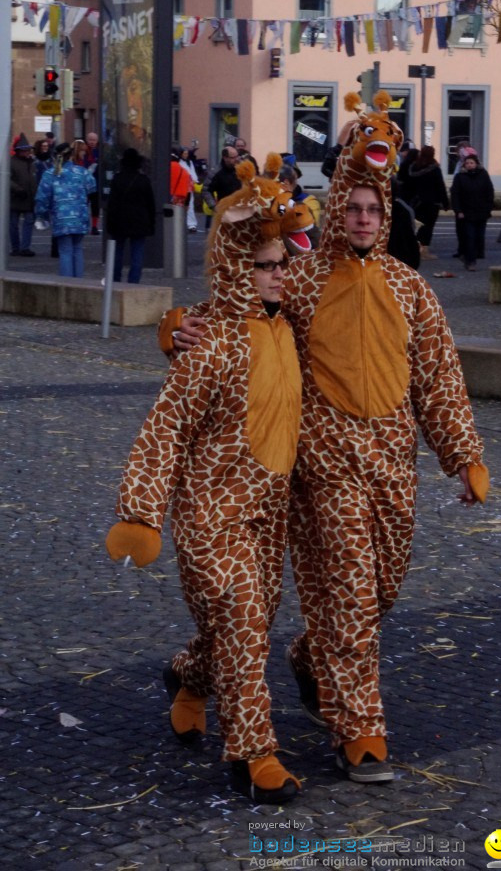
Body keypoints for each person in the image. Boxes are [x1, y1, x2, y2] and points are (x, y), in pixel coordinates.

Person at [163, 90, 489, 785]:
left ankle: (215, 664)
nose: (363, 218)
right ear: (337, 204)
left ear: (386, 214)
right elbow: (232, 307)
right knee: (346, 589)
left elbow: (438, 376)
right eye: (352, 206)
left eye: (374, 208)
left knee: (379, 592)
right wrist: (174, 330)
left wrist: (462, 454)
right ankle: (358, 729)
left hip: (390, 466)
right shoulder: (300, 277)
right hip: (321, 462)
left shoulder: (409, 289)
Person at [106, 177, 304, 804]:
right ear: (238, 269)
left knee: (242, 628)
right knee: (244, 620)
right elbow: (162, 430)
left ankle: (189, 676)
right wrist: (141, 513)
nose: (278, 275)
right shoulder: (209, 345)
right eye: (264, 267)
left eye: (282, 264)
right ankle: (253, 753)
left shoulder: (291, 327)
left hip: (267, 518)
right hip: (211, 518)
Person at [35, 142, 96, 277]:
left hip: (61, 217)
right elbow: (93, 186)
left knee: (65, 251)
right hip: (80, 217)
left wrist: (41, 215)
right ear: (70, 156)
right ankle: (79, 284)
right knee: (77, 249)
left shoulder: (50, 174)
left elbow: (42, 198)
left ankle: (67, 284)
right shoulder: (81, 172)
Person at [106, 148, 156, 283]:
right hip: (139, 220)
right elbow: (150, 204)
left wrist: (109, 222)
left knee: (117, 252)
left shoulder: (117, 179)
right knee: (137, 253)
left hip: (120, 220)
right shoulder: (143, 180)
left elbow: (112, 203)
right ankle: (134, 281)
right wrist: (151, 222)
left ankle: (115, 279)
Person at [450, 150, 494, 270]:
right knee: (469, 237)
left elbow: (489, 192)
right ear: (464, 165)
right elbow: (455, 194)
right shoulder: (460, 177)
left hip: (481, 212)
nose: (469, 165)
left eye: (471, 163)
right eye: (467, 163)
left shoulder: (483, 175)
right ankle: (471, 261)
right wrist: (458, 210)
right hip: (466, 212)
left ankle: (472, 255)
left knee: (480, 237)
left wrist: (489, 208)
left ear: (476, 164)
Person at [404, 144, 449, 260]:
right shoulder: (434, 169)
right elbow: (440, 186)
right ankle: (424, 251)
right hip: (431, 203)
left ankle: (414, 249)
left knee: (417, 226)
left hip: (416, 202)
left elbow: (408, 186)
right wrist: (445, 202)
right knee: (428, 227)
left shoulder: (413, 168)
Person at [9, 133, 37, 256]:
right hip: (16, 197)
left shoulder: (31, 163)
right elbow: (6, 179)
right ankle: (16, 248)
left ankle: (25, 247)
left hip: (29, 198)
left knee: (28, 223)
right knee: (13, 225)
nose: (28, 152)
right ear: (19, 151)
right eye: (25, 150)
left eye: (28, 150)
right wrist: (17, 189)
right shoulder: (11, 162)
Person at [203, 145, 242, 216]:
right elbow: (206, 190)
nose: (237, 159)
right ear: (225, 158)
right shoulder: (216, 172)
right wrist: (214, 206)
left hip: (241, 209)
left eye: (237, 156)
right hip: (225, 211)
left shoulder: (241, 168)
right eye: (233, 157)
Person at [178, 146, 199, 232]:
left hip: (189, 187)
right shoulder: (179, 163)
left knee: (190, 205)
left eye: (187, 153)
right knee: (181, 205)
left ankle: (191, 224)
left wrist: (194, 180)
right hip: (182, 186)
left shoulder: (189, 162)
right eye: (184, 153)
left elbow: (193, 173)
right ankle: (181, 222)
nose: (186, 155)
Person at [85, 132, 101, 234]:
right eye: (90, 139)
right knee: (83, 205)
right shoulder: (83, 151)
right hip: (84, 184)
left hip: (96, 184)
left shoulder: (100, 152)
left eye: (94, 140)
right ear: (87, 140)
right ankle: (83, 225)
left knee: (96, 206)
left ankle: (94, 227)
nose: (92, 142)